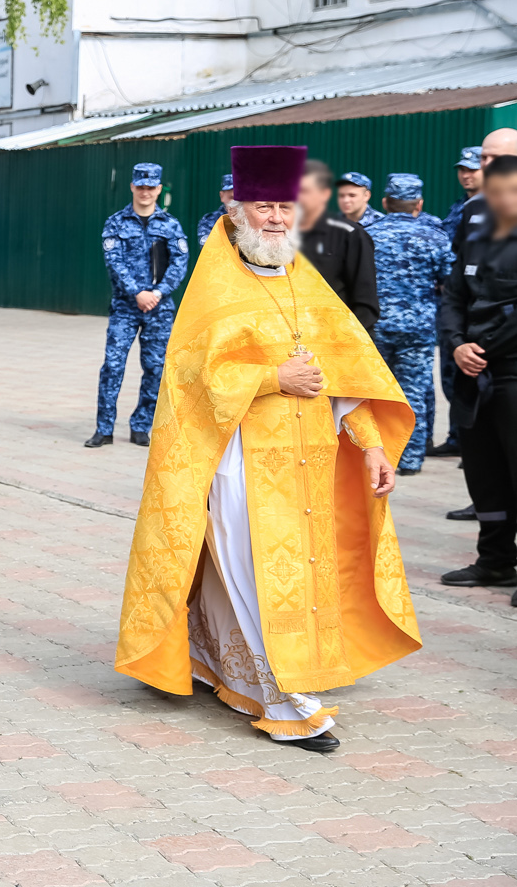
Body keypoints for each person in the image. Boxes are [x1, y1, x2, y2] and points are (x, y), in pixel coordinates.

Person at [116, 144, 419, 753]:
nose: (275, 218)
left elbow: (346, 375)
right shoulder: (215, 282)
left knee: (295, 574)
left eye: (284, 206)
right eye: (262, 206)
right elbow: (191, 377)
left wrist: (371, 447)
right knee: (255, 570)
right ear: (236, 210)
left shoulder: (305, 279)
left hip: (310, 462)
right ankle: (283, 699)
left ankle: (209, 657)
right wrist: (270, 379)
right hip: (240, 460)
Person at [438, 153, 517, 600]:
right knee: (485, 474)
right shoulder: (477, 231)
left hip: (510, 371)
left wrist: (481, 349)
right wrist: (455, 343)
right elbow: (453, 296)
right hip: (473, 370)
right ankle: (495, 562)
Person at [86, 163, 189, 448]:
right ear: (132, 187)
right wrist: (137, 293)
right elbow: (114, 262)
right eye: (140, 187)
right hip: (125, 307)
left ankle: (141, 425)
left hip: (159, 308)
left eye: (151, 187)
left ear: (158, 189)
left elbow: (180, 264)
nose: (145, 192)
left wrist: (158, 292)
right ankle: (104, 429)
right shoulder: (116, 223)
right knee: (113, 366)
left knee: (156, 368)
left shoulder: (171, 225)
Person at [368, 174, 454, 475]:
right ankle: (410, 458)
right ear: (419, 204)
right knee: (413, 393)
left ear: (384, 202)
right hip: (419, 329)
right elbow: (448, 283)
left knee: (376, 393)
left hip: (376, 326)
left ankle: (377, 455)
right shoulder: (436, 236)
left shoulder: (368, 234)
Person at [430, 146, 485, 461]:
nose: (466, 175)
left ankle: (478, 442)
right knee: (452, 376)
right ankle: (459, 437)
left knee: (478, 377)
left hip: (481, 307)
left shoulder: (497, 209)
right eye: (462, 170)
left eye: (473, 169)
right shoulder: (458, 209)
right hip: (453, 303)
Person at [297, 160, 380, 334]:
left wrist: (350, 336)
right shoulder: (286, 233)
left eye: (352, 195)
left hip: (339, 334)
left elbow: (365, 297)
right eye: (342, 195)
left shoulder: (351, 233)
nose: (346, 200)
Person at [196, 173, 233, 249]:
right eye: (231, 198)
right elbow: (209, 249)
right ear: (222, 196)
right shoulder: (209, 221)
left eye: (239, 199)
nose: (236, 203)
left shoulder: (252, 219)